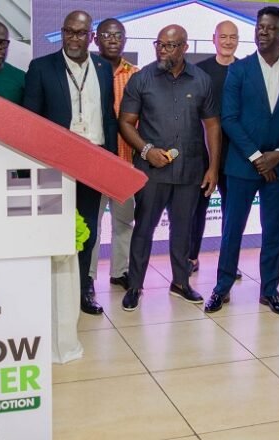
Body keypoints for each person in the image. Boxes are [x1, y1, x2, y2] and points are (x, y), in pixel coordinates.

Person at [203, 6, 279, 316]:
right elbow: (230, 119)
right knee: (232, 229)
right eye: (260, 27)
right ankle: (222, 288)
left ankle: (270, 290)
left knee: (272, 230)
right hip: (242, 164)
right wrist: (258, 156)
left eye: (270, 28)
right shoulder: (240, 69)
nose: (263, 32)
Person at [119, 24, 221, 311]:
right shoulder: (141, 79)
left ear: (184, 47)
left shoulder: (201, 79)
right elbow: (126, 122)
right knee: (144, 229)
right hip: (152, 170)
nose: (162, 50)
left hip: (190, 170)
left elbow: (212, 125)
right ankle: (135, 285)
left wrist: (213, 167)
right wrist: (147, 150)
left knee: (183, 229)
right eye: (159, 44)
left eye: (170, 45)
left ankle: (180, 282)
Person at [23, 10, 118, 315]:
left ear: (91, 37)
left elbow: (108, 116)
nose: (74, 38)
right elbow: (32, 120)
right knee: (54, 227)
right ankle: (49, 287)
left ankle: (83, 287)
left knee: (89, 227)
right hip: (57, 161)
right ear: (62, 33)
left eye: (80, 33)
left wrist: (112, 161)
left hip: (94, 159)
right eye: (69, 32)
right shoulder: (41, 67)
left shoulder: (103, 67)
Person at [88, 18, 139, 292]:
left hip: (125, 161)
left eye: (118, 35)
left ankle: (121, 271)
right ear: (96, 39)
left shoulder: (136, 73)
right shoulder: (86, 70)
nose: (113, 39)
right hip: (92, 164)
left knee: (124, 222)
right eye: (106, 34)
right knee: (91, 223)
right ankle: (88, 276)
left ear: (125, 39)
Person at [188, 20, 241, 278]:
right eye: (224, 37)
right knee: (197, 210)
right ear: (214, 38)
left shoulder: (245, 71)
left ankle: (230, 262)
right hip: (203, 154)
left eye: (233, 37)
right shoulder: (200, 72)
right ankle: (191, 257)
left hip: (235, 155)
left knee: (232, 213)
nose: (228, 41)